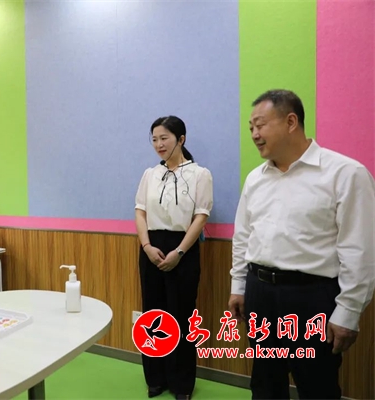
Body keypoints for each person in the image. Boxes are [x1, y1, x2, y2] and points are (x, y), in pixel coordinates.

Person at [228, 89, 375, 399]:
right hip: (260, 293)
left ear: (291, 121)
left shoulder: (345, 174)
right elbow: (243, 237)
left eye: (260, 125)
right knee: (265, 385)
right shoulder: (255, 178)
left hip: (312, 298)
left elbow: (360, 251)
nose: (254, 134)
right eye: (251, 127)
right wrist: (238, 287)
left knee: (317, 386)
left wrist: (348, 313)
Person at [135, 116, 213, 399]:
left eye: (164, 138)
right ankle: (155, 379)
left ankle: (182, 384)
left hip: (184, 248)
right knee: (152, 316)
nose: (159, 144)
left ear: (181, 139)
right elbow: (140, 211)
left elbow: (201, 216)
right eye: (154, 139)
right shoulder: (150, 174)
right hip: (151, 247)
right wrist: (146, 246)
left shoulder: (200, 174)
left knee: (181, 316)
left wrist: (179, 251)